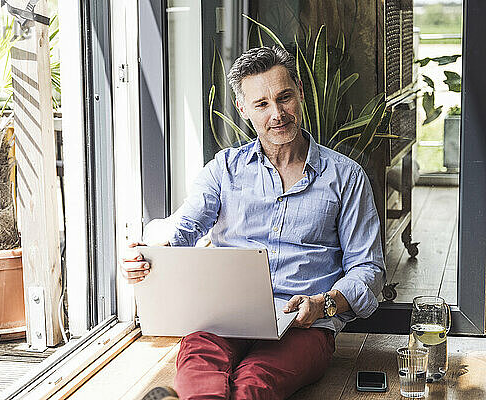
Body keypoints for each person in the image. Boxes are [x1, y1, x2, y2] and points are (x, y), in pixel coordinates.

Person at [124, 46, 386, 400]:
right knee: (200, 363)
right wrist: (151, 255)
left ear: (300, 95)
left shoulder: (346, 177)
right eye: (262, 104)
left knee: (254, 381)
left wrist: (324, 303)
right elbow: (183, 228)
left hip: (303, 325)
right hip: (223, 317)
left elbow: (368, 269)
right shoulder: (224, 169)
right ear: (244, 110)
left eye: (284, 98)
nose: (277, 113)